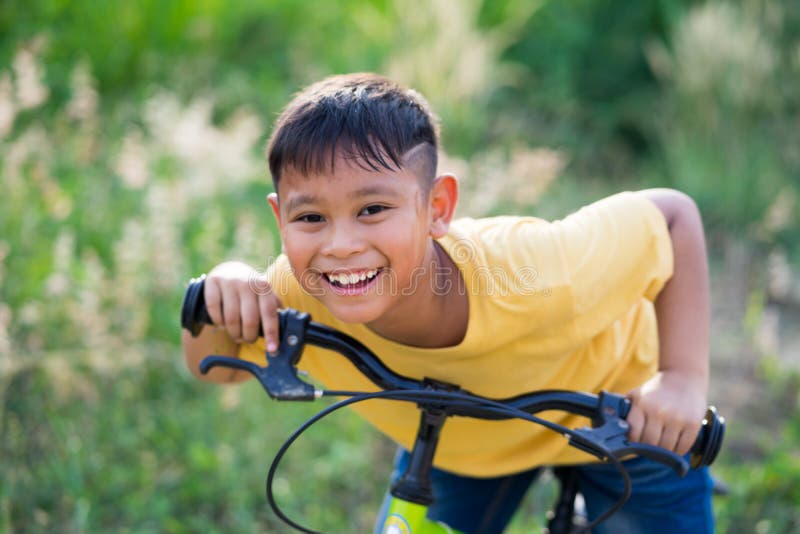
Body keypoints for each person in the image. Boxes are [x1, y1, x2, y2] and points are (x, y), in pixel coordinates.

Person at [182, 73, 714, 533]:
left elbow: (672, 215)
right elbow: (215, 368)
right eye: (310, 218)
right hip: (463, 443)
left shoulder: (538, 271)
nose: (339, 245)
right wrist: (221, 286)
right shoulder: (299, 289)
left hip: (619, 415)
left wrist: (682, 380)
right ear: (281, 221)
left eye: (372, 209)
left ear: (437, 207)